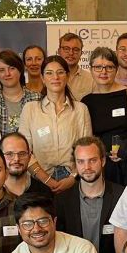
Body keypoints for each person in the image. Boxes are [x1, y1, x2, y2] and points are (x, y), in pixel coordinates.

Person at [54, 137, 125, 253]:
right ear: (75, 165)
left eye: (92, 160)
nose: (87, 167)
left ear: (103, 161)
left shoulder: (121, 196)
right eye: (81, 162)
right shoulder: (62, 201)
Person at [19, 54, 92, 192]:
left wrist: (73, 177)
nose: (55, 77)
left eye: (60, 72)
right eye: (49, 73)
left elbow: (86, 149)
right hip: (39, 179)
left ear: (68, 76)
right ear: (42, 78)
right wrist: (46, 180)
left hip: (73, 179)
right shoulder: (30, 109)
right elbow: (24, 152)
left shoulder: (81, 109)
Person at [79, 46, 127, 185]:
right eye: (98, 67)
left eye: (109, 67)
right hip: (99, 169)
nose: (103, 72)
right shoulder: (86, 102)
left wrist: (125, 151)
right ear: (91, 69)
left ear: (117, 69)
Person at [0, 49, 42, 137]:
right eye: (1, 70)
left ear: (20, 70)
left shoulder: (37, 99)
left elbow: (44, 131)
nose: (7, 74)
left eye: (12, 68)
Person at [0, 131, 54, 198]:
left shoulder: (43, 192)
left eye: (22, 154)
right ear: (0, 157)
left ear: (29, 157)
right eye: (9, 154)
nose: (16, 159)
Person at [58, 32, 94, 101]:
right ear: (59, 51)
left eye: (76, 49)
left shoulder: (91, 80)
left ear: (81, 53)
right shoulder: (50, 78)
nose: (71, 53)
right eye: (66, 49)